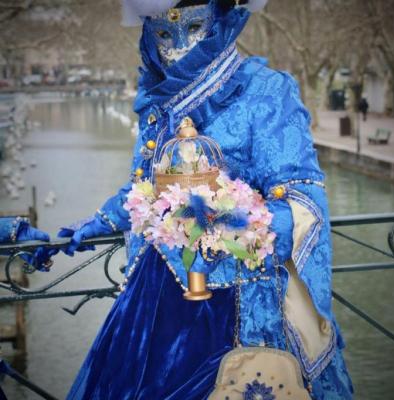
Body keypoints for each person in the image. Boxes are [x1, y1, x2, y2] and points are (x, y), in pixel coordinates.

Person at [39, 1, 354, 398]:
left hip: (240, 305)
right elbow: (147, 190)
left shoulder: (266, 90)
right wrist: (94, 224)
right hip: (154, 307)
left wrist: (227, 225)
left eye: (193, 26)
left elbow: (302, 201)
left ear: (218, 19)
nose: (177, 46)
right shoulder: (159, 102)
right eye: (164, 33)